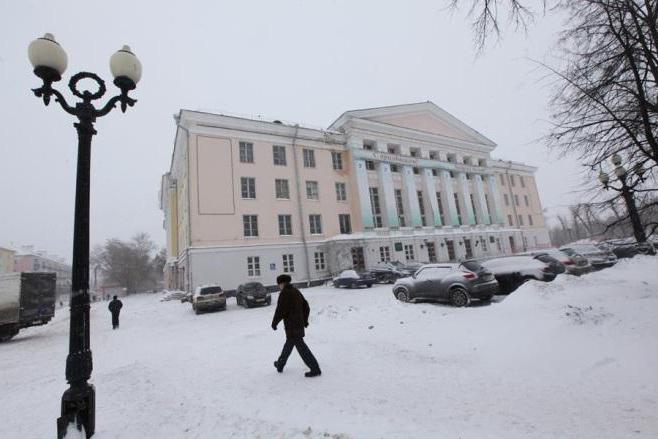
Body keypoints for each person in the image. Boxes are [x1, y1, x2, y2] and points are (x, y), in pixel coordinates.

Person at [271, 274, 321, 377]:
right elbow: (306, 306)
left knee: (301, 348)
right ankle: (280, 364)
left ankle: (315, 369)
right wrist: (305, 321)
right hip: (298, 325)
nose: (278, 286)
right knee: (289, 344)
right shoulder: (296, 291)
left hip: (292, 326)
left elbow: (280, 311)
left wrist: (274, 322)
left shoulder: (284, 293)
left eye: (279, 284)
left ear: (282, 283)